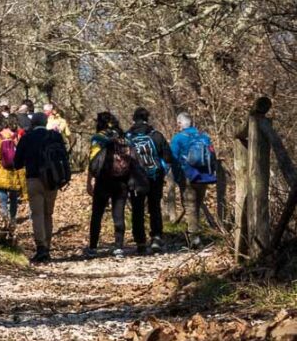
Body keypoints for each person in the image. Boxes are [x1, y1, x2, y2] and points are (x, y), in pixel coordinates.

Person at [13, 111, 71, 264]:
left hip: (33, 179)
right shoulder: (55, 136)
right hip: (52, 179)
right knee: (48, 214)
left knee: (37, 214)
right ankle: (47, 246)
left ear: (33, 123)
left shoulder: (27, 137)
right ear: (46, 123)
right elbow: (64, 156)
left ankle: (41, 248)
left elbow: (17, 163)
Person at [126, 107, 178, 254]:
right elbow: (168, 157)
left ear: (133, 119)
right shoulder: (156, 135)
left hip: (136, 179)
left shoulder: (128, 137)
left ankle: (140, 242)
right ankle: (156, 237)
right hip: (155, 177)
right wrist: (162, 171)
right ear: (147, 119)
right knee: (154, 207)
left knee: (137, 209)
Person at [84, 111, 132, 258]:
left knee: (97, 214)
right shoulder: (124, 137)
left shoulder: (98, 138)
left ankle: (93, 247)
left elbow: (93, 161)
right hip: (121, 180)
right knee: (118, 214)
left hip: (103, 181)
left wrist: (89, 182)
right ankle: (119, 247)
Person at [170, 111, 218, 249]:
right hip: (204, 176)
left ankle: (194, 238)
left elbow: (172, 158)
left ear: (180, 123)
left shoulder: (178, 138)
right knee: (197, 204)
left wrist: (176, 176)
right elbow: (212, 156)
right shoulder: (204, 137)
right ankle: (195, 233)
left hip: (188, 176)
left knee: (190, 206)